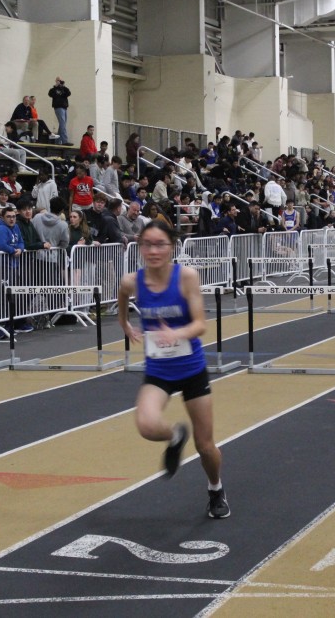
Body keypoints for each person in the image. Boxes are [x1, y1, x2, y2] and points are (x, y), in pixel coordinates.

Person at [117, 221, 229, 519]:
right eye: (147, 244)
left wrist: (176, 334)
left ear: (172, 247)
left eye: (160, 244)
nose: (153, 251)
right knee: (146, 424)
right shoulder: (132, 281)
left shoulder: (186, 277)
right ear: (140, 248)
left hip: (191, 369)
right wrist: (124, 323)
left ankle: (215, 488)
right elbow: (122, 297)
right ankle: (176, 435)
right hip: (158, 371)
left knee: (205, 446)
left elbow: (200, 324)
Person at [48, 77, 72, 145]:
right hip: (58, 107)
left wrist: (63, 86)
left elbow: (69, 93)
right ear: (56, 81)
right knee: (62, 124)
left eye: (60, 80)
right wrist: (55, 86)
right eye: (58, 80)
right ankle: (65, 141)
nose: (59, 81)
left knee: (62, 124)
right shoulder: (53, 89)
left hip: (64, 107)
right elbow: (50, 94)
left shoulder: (63, 89)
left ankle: (57, 141)